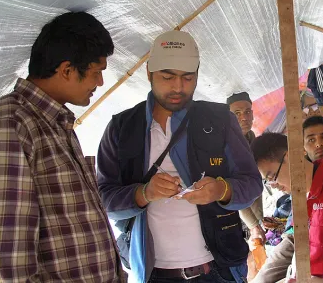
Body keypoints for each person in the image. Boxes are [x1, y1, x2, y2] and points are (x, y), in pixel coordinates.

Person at [96, 30, 262, 283]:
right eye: (167, 76)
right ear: (149, 72)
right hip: (153, 274)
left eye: (188, 77)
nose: (178, 87)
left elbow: (251, 184)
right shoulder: (122, 128)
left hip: (217, 271)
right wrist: (144, 193)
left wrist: (221, 190)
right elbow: (103, 198)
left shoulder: (220, 120)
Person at [0, 12, 123, 282]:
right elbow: (2, 261)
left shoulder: (57, 124)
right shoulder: (9, 124)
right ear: (67, 70)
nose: (100, 83)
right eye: (96, 72)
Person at [250, 132, 323, 282]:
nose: (274, 185)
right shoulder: (300, 195)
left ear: (290, 157)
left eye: (272, 177)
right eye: (268, 181)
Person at [227, 92, 265, 242]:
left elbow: (254, 180)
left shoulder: (252, 139)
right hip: (238, 217)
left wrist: (259, 220)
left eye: (248, 112)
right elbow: (235, 190)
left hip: (254, 215)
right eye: (237, 113)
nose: (244, 117)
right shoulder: (226, 145)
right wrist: (254, 225)